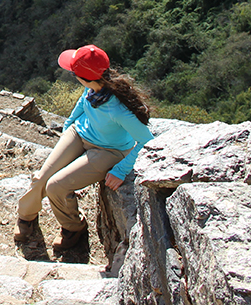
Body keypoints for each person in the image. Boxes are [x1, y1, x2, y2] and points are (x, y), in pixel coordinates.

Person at [15, 44, 154, 255]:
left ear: (83, 77)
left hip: (109, 150)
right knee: (41, 178)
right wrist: (69, 124)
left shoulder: (117, 108)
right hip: (80, 133)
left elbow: (146, 140)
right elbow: (83, 101)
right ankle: (26, 216)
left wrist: (121, 169)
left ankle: (73, 229)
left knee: (56, 186)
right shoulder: (95, 85)